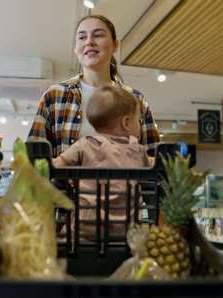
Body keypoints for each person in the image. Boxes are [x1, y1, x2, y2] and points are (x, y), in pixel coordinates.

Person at [27, 14, 160, 157]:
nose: (89, 42)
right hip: (65, 180)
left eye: (98, 35)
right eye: (82, 37)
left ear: (115, 45)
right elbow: (35, 158)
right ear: (75, 48)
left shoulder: (135, 99)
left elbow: (154, 159)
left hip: (125, 180)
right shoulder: (55, 96)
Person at [53, 86, 150, 239]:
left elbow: (56, 166)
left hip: (85, 229)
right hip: (125, 232)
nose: (140, 124)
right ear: (126, 123)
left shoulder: (85, 144)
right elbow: (152, 169)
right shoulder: (137, 149)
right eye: (138, 120)